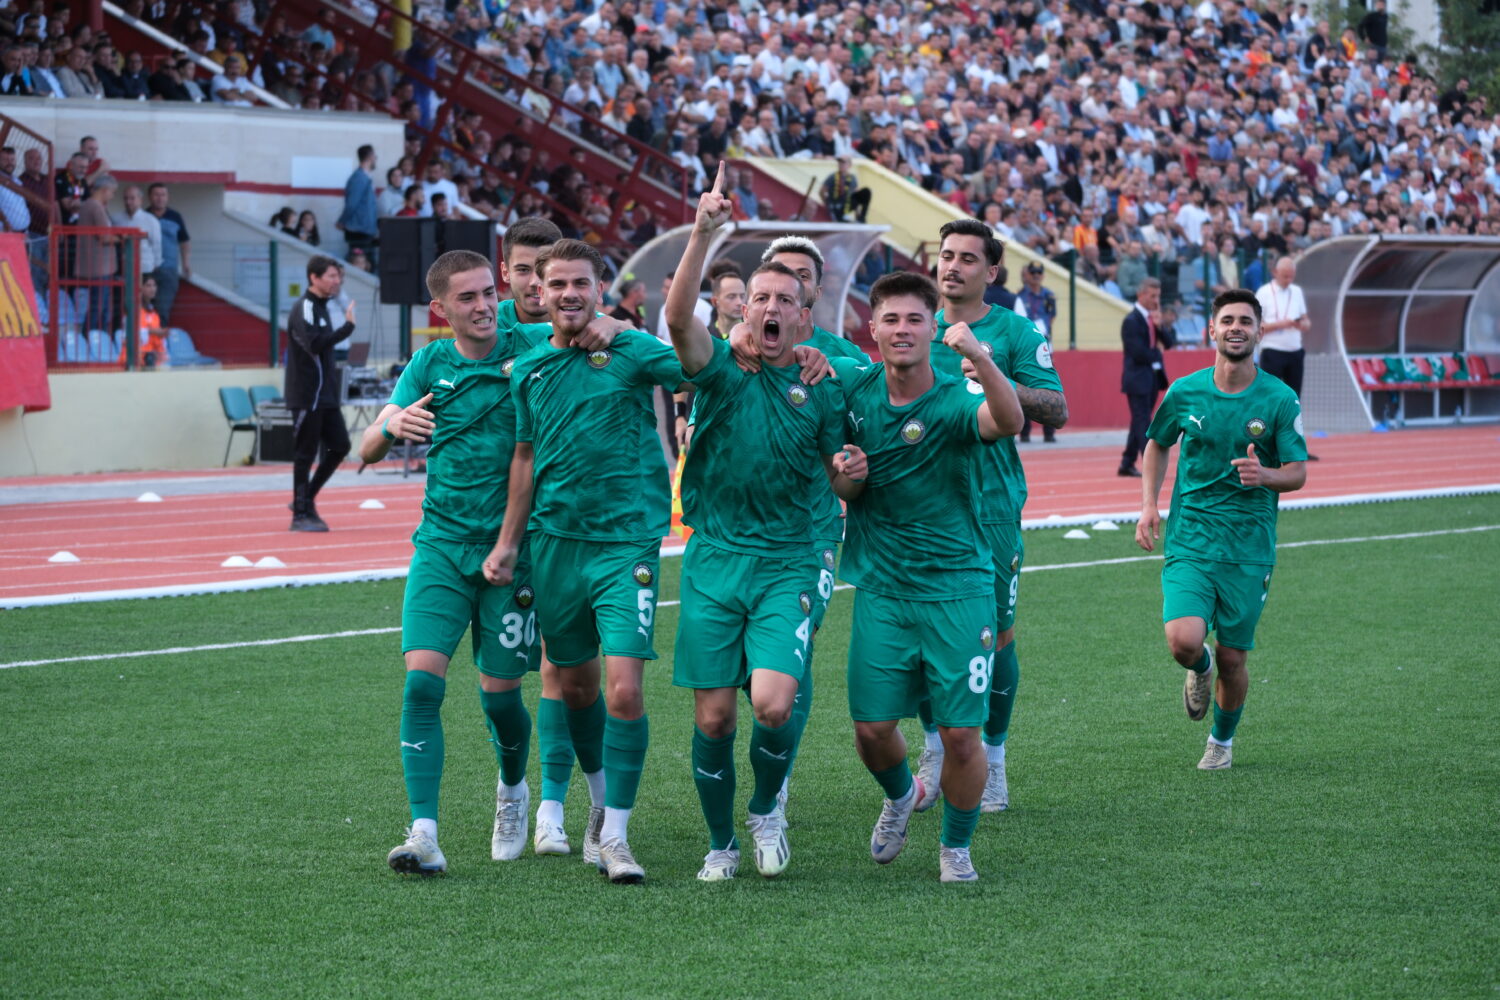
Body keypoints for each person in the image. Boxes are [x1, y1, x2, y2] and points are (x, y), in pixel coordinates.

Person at [493, 239, 690, 885]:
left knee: (625, 688)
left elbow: (696, 368)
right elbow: (525, 458)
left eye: (581, 283)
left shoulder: (629, 349)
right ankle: (598, 801)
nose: (569, 294)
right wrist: (508, 542)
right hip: (554, 544)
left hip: (626, 542)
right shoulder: (528, 369)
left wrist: (628, 330)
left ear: (599, 290)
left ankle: (617, 837)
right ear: (540, 293)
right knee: (574, 687)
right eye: (558, 284)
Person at [664, 165, 841, 882]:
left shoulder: (824, 380)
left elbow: (841, 474)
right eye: (758, 297)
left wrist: (853, 473)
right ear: (740, 311)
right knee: (713, 719)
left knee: (770, 704)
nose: (769, 307)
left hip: (790, 558)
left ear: (803, 317)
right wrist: (702, 233)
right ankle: (721, 844)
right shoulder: (718, 367)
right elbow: (678, 321)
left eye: (783, 300)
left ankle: (768, 809)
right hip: (715, 558)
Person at [830, 270, 1022, 883]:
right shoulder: (855, 391)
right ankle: (900, 795)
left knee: (963, 736)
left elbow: (1008, 420)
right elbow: (841, 486)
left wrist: (981, 358)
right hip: (883, 590)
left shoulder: (955, 397)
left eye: (916, 319)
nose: (903, 329)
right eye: (891, 319)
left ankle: (955, 848)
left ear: (933, 328)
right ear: (873, 328)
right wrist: (847, 476)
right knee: (871, 731)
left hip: (958, 590)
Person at [913, 218, 1068, 815]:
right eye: (946, 255)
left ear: (992, 271)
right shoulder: (913, 325)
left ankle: (994, 760)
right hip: (921, 508)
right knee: (923, 635)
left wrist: (993, 372)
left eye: (967, 258)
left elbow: (1056, 407)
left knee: (998, 636)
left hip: (992, 508)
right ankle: (934, 750)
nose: (952, 266)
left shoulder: (1015, 331)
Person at [1135, 289, 1307, 770]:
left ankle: (1221, 742)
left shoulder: (1279, 398)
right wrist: (1149, 505)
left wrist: (1264, 475)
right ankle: (1199, 668)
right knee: (1184, 641)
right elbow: (1157, 443)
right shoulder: (1185, 391)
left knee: (1234, 658)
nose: (1236, 328)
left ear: (1260, 332)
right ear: (1211, 329)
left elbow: (1297, 472)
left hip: (1248, 548)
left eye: (1245, 321)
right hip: (1191, 538)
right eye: (1227, 320)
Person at [492, 216, 615, 861]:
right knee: (500, 684)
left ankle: (554, 809)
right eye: (524, 270)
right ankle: (516, 794)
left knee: (559, 671)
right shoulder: (491, 332)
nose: (537, 286)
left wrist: (614, 324)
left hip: (564, 528)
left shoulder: (594, 331)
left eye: (550, 273)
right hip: (497, 529)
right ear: (511, 274)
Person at [283, 255, 354, 532]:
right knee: (305, 454)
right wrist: (347, 328)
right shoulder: (306, 306)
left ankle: (305, 499)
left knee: (340, 446)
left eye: (339, 276)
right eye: (331, 276)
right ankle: (300, 515)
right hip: (307, 394)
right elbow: (313, 344)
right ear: (314, 277)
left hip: (326, 395)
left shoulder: (322, 307)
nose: (337, 281)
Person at [1254, 257, 1316, 457]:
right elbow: (1257, 325)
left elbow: (1305, 319)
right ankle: (1267, 444)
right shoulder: (1264, 292)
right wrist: (1280, 324)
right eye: (1285, 276)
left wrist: (1303, 324)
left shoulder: (1296, 292)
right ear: (1275, 273)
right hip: (1272, 350)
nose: (1289, 280)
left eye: (1291, 276)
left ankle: (1293, 446)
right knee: (1270, 398)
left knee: (1294, 400)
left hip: (1295, 349)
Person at [1119, 277, 1172, 477]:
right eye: (1152, 296)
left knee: (1139, 421)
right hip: (1137, 379)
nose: (1156, 301)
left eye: (1158, 296)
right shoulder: (1131, 321)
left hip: (1153, 378)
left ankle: (1126, 463)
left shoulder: (1153, 319)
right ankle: (1151, 464)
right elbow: (1137, 353)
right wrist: (1157, 353)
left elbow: (1169, 343)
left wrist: (1159, 326)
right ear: (1140, 295)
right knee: (1143, 422)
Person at [1014, 261, 1058, 442]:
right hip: (1026, 346)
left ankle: (1049, 432)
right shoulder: (1020, 296)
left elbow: (1052, 317)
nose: (1036, 276)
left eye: (1039, 273)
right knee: (1025, 385)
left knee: (1047, 385)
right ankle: (1025, 431)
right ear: (1027, 275)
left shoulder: (1049, 295)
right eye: (1033, 273)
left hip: (1044, 344)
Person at [75, 173, 118, 333]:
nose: (112, 196)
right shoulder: (95, 206)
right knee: (99, 306)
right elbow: (104, 237)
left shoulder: (88, 205)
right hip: (99, 266)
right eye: (112, 192)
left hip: (96, 264)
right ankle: (90, 337)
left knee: (100, 306)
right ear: (105, 190)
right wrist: (122, 237)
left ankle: (95, 337)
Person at [146, 182, 190, 324]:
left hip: (168, 271)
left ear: (167, 197)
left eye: (163, 195)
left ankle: (158, 337)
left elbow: (184, 242)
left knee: (163, 309)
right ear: (149, 197)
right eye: (156, 195)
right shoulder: (143, 216)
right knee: (143, 308)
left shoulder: (175, 217)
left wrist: (186, 264)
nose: (160, 198)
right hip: (146, 270)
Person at [110, 184, 160, 281]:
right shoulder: (116, 219)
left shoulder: (151, 220)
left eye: (132, 198)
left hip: (144, 267)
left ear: (140, 200)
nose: (128, 202)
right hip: (121, 267)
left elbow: (156, 244)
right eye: (126, 198)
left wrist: (156, 264)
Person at [337, 144, 378, 261]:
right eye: (375, 156)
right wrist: (342, 221)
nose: (376, 159)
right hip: (359, 230)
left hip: (365, 229)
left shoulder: (365, 177)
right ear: (370, 157)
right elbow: (352, 203)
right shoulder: (359, 178)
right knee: (359, 262)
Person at [116, 274, 167, 367]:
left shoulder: (154, 313)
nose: (152, 289)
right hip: (132, 360)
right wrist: (151, 331)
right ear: (140, 288)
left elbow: (157, 341)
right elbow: (128, 334)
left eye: (154, 285)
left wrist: (161, 356)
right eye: (148, 285)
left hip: (151, 359)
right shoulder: (132, 310)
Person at [820, 155, 871, 223]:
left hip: (846, 206)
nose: (841, 165)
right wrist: (828, 204)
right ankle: (838, 216)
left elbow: (856, 195)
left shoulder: (852, 178)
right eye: (839, 163)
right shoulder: (832, 177)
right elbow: (822, 191)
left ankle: (861, 219)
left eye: (843, 163)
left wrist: (857, 213)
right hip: (835, 206)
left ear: (849, 165)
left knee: (866, 192)